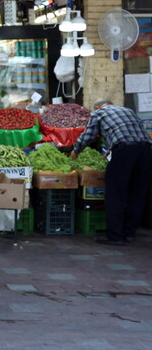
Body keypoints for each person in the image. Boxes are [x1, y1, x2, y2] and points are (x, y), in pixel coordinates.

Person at [70, 98, 152, 245]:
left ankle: (115, 236)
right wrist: (111, 148)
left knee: (115, 193)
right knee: (137, 193)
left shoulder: (99, 113)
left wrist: (76, 150)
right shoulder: (129, 111)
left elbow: (88, 135)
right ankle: (129, 233)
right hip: (146, 151)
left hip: (125, 151)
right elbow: (130, 133)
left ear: (98, 107)